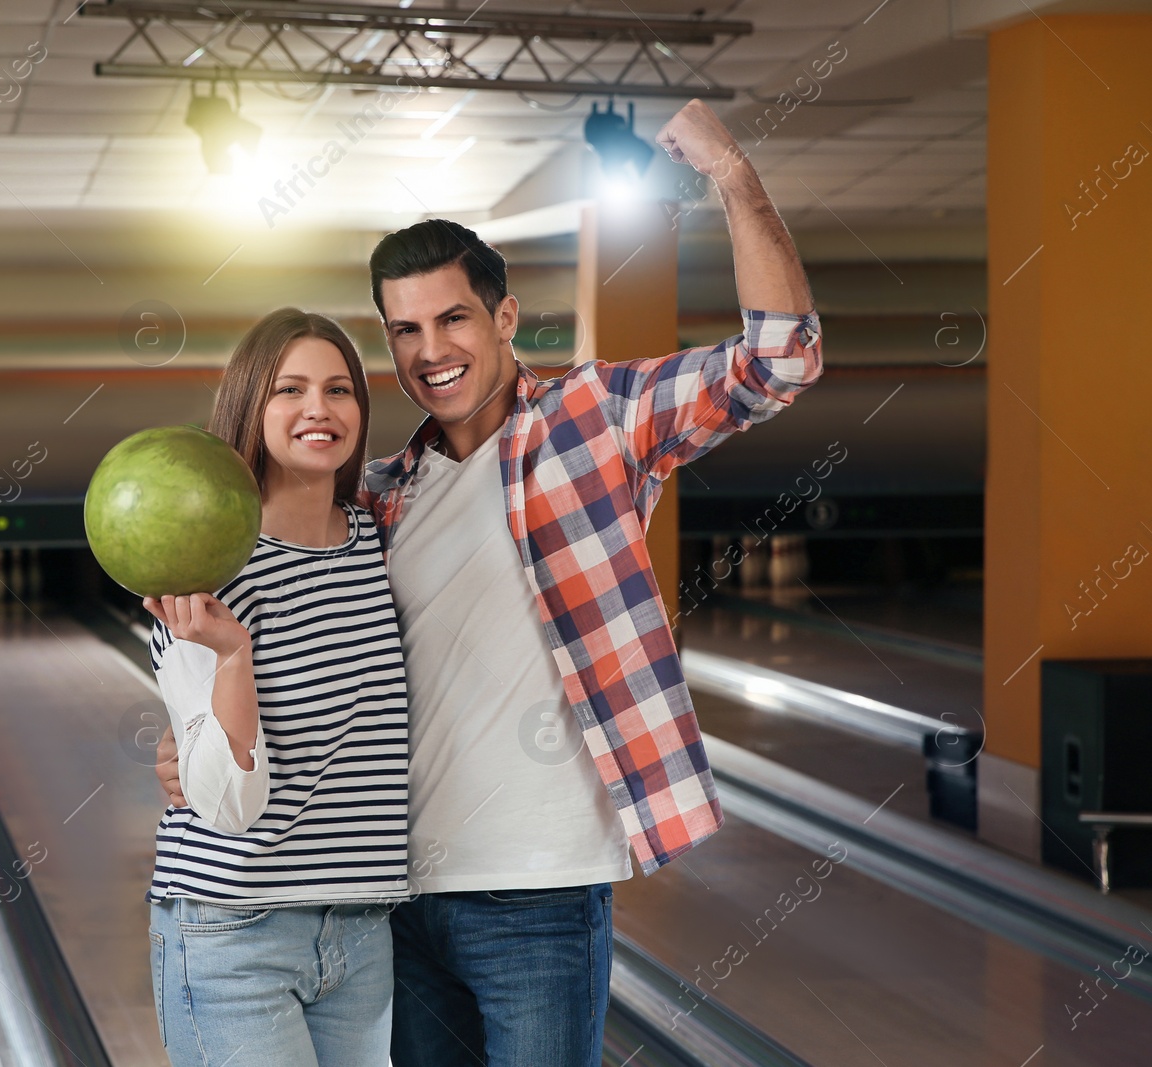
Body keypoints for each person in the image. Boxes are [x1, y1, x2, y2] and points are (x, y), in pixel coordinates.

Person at [159, 98, 823, 1066]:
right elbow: (289, 649)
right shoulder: (376, 501)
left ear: (505, 315)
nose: (431, 351)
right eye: (404, 330)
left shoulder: (595, 422)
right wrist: (194, 745)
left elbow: (780, 358)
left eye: (454, 318)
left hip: (540, 887)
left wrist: (730, 176)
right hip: (390, 896)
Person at [143, 307, 410, 1067]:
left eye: (339, 389)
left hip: (361, 930)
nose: (318, 409)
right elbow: (227, 802)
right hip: (233, 929)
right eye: (289, 390)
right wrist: (232, 656)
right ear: (248, 408)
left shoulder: (379, 545)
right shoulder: (204, 568)